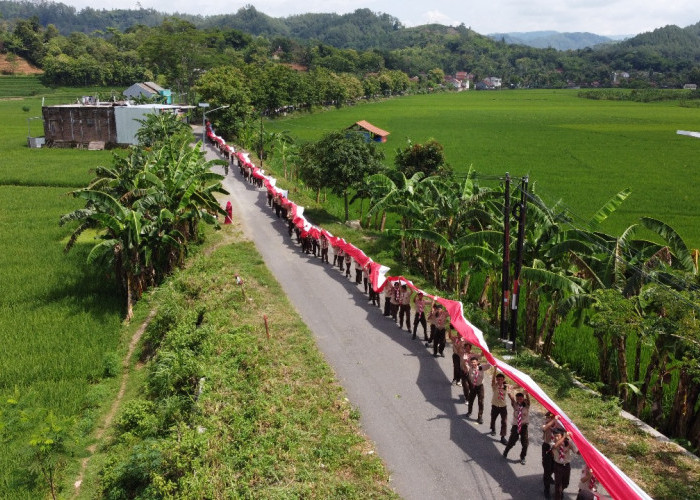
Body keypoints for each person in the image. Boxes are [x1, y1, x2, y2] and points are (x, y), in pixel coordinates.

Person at [503, 391, 531, 465]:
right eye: (518, 399)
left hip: (524, 426)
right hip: (516, 426)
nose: (519, 400)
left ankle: (522, 457)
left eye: (521, 398)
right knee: (512, 441)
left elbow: (528, 400)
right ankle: (506, 451)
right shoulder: (515, 405)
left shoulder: (526, 405)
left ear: (523, 399)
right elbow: (511, 398)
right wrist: (509, 391)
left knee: (525, 443)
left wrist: (527, 394)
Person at [542, 413, 565, 499]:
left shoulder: (559, 426)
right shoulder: (546, 424)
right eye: (548, 417)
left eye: (550, 417)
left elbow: (564, 433)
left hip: (556, 448)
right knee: (547, 468)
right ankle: (546, 489)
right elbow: (544, 428)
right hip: (547, 447)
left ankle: (549, 477)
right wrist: (553, 421)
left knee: (554, 466)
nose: (548, 419)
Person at [551, 429, 578, 500]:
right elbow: (555, 446)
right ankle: (558, 495)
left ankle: (560, 491)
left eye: (558, 436)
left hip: (566, 466)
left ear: (562, 435)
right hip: (558, 466)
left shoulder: (569, 442)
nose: (556, 438)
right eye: (555, 436)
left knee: (566, 483)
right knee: (558, 485)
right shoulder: (553, 443)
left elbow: (576, 451)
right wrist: (564, 437)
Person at [466, 356, 491, 423]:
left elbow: (488, 366)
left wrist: (489, 357)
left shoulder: (481, 367)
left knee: (480, 402)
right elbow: (464, 364)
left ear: (477, 362)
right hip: (473, 386)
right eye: (471, 362)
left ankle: (480, 417)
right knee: (470, 400)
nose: (473, 363)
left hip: (480, 387)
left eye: (474, 362)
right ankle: (469, 411)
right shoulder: (470, 368)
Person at [490, 371, 508, 444]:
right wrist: (495, 370)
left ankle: (502, 437)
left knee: (504, 421)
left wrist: (521, 384)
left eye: (501, 379)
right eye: (498, 379)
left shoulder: (506, 387)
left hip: (503, 407)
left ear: (503, 380)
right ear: (497, 380)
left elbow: (515, 387)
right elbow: (493, 380)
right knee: (493, 418)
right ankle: (493, 429)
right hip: (495, 405)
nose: (500, 381)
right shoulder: (494, 386)